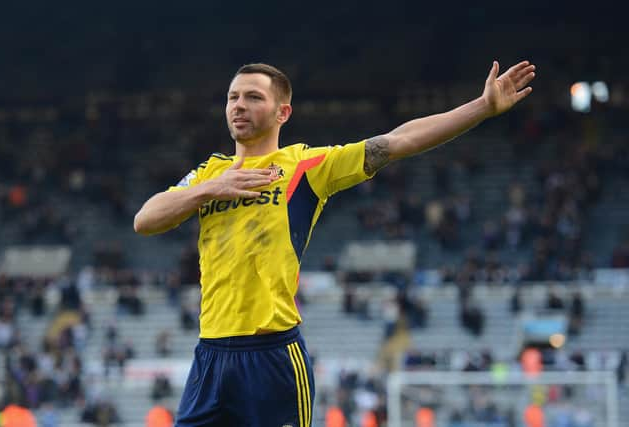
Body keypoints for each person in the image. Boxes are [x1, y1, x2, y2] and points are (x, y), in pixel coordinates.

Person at [134, 60, 535, 426]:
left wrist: (481, 107)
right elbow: (145, 219)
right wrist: (210, 189)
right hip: (210, 357)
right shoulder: (209, 173)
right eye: (233, 97)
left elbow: (398, 142)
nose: (238, 105)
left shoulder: (306, 166)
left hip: (271, 356)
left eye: (253, 97)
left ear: (282, 112)